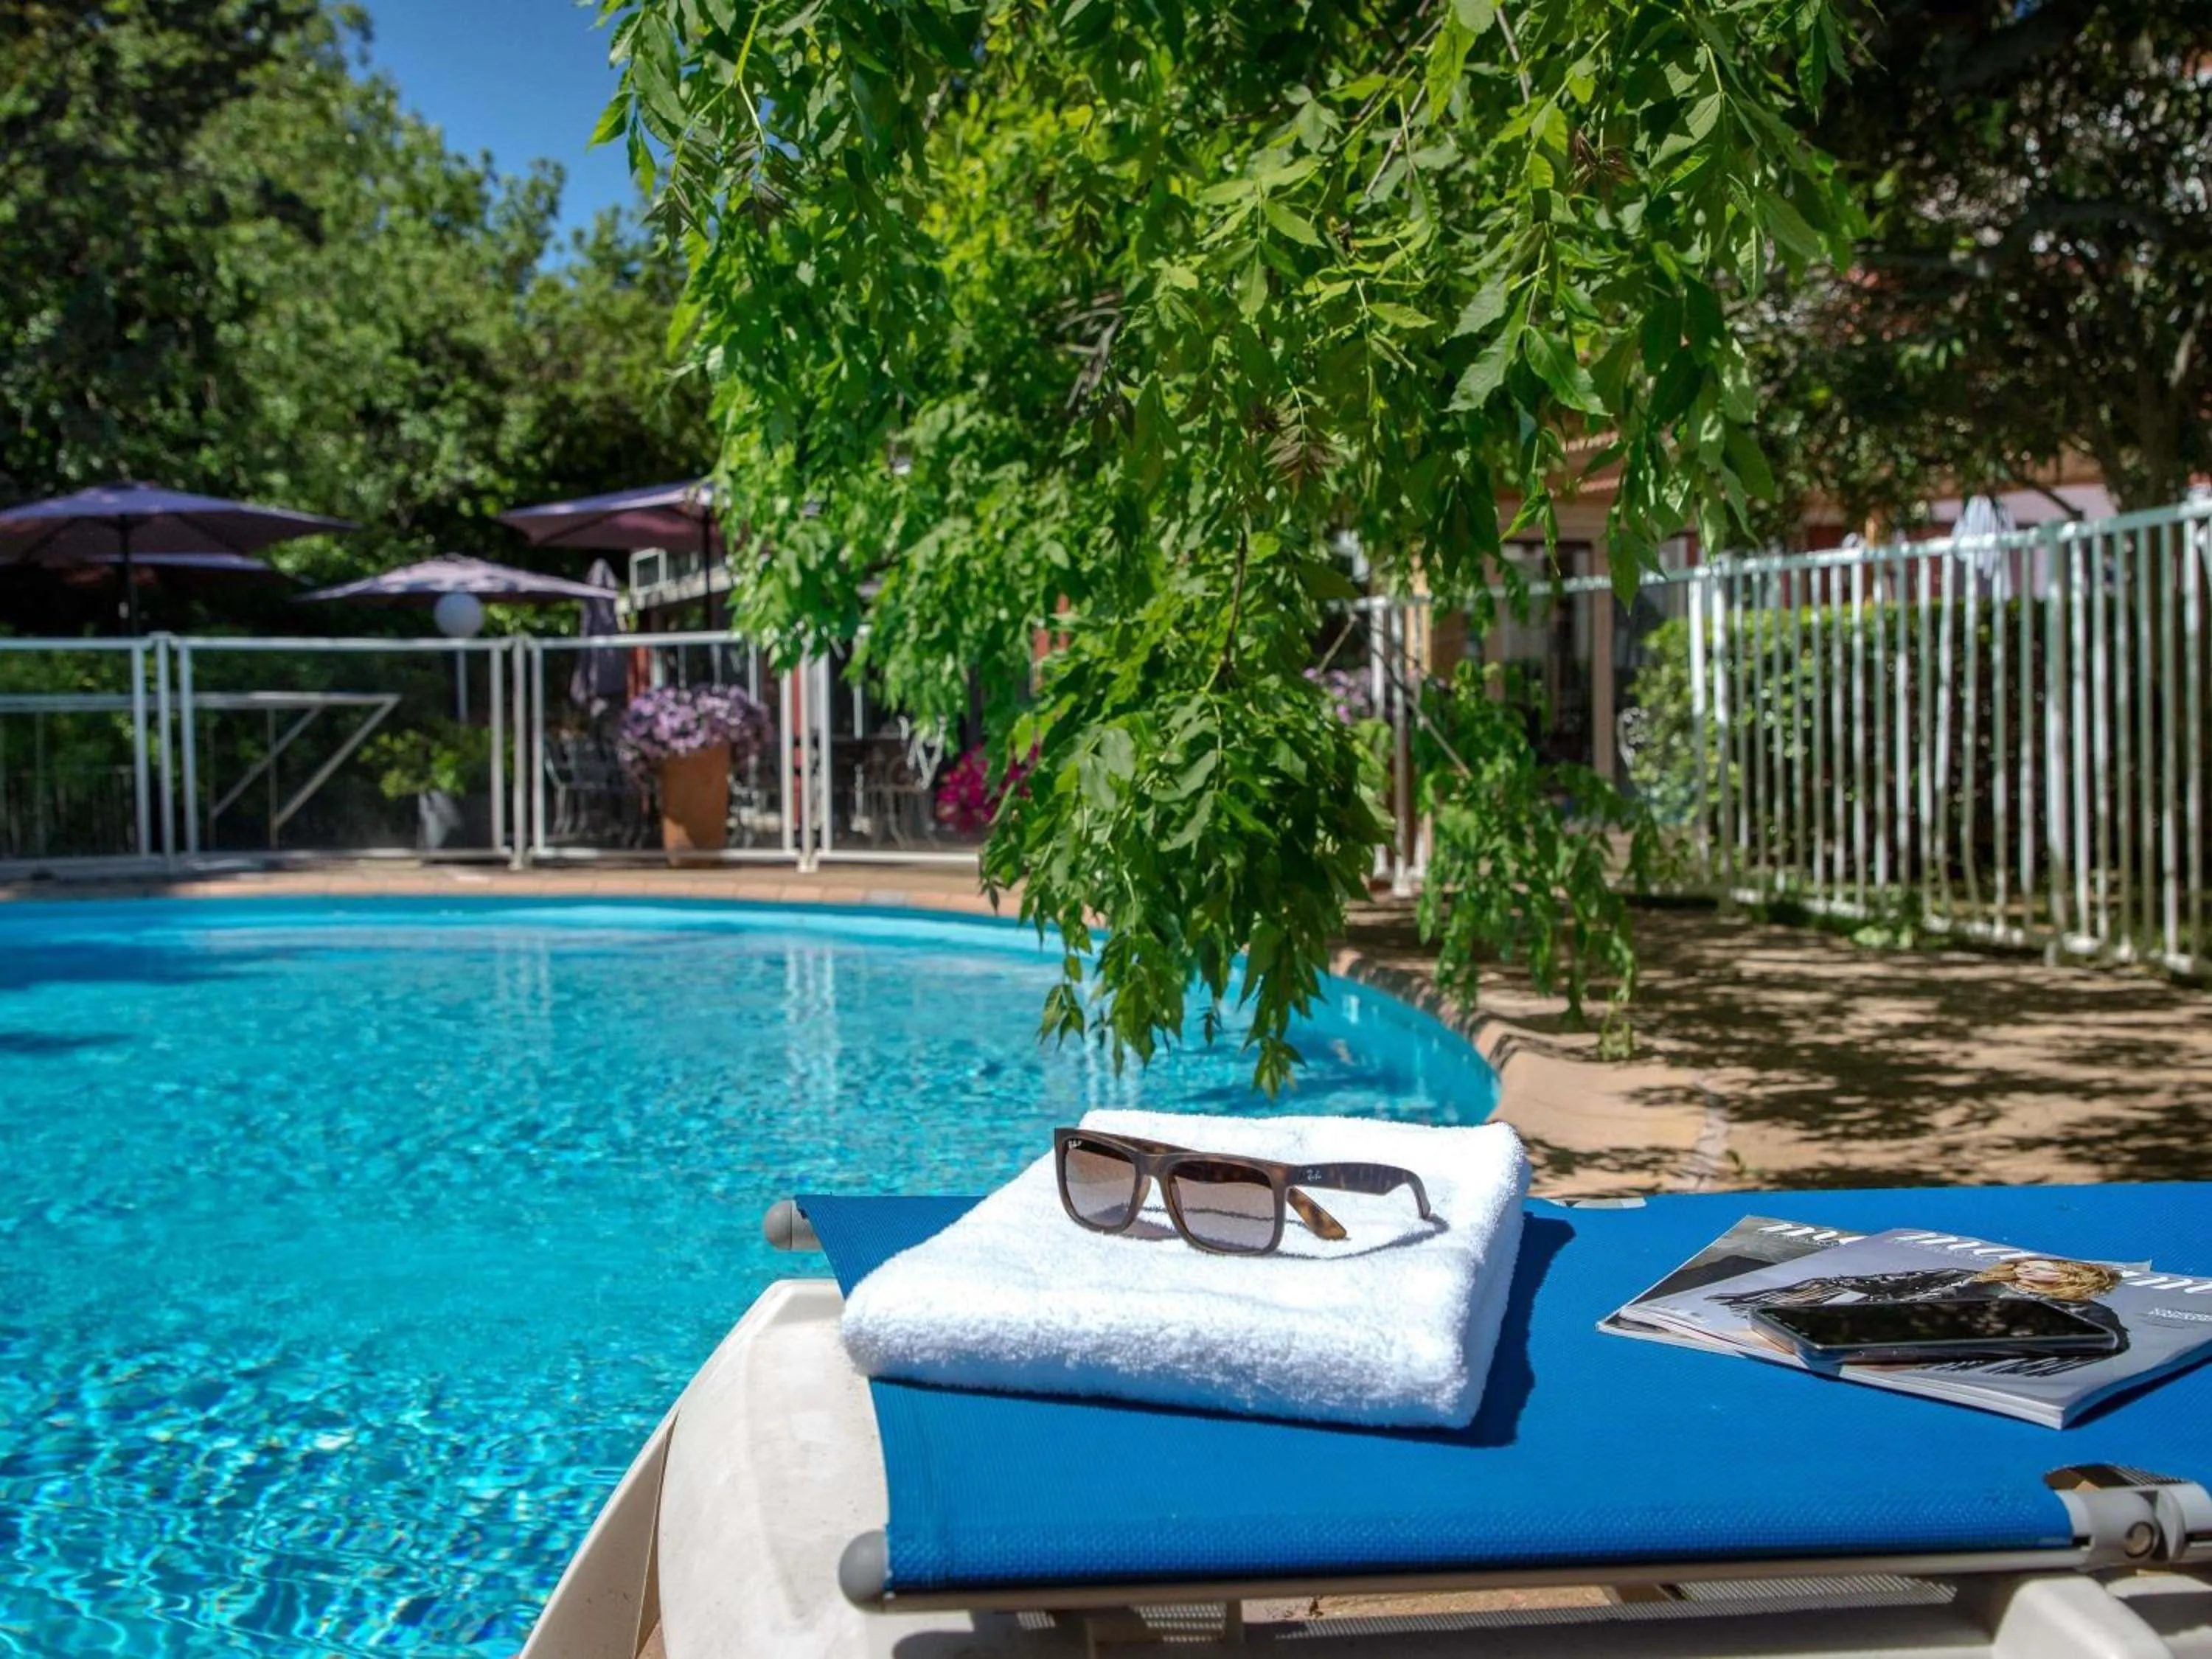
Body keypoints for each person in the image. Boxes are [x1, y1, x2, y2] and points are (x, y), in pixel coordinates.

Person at [1715, 1256, 2126, 1374]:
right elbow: (1883, 1282)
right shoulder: (1966, 1278)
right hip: (1874, 1329)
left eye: (2045, 1269)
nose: (2031, 1270)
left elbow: (2104, 1338)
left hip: (1939, 1356)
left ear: (2072, 1276)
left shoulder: (2084, 1310)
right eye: (2026, 1266)